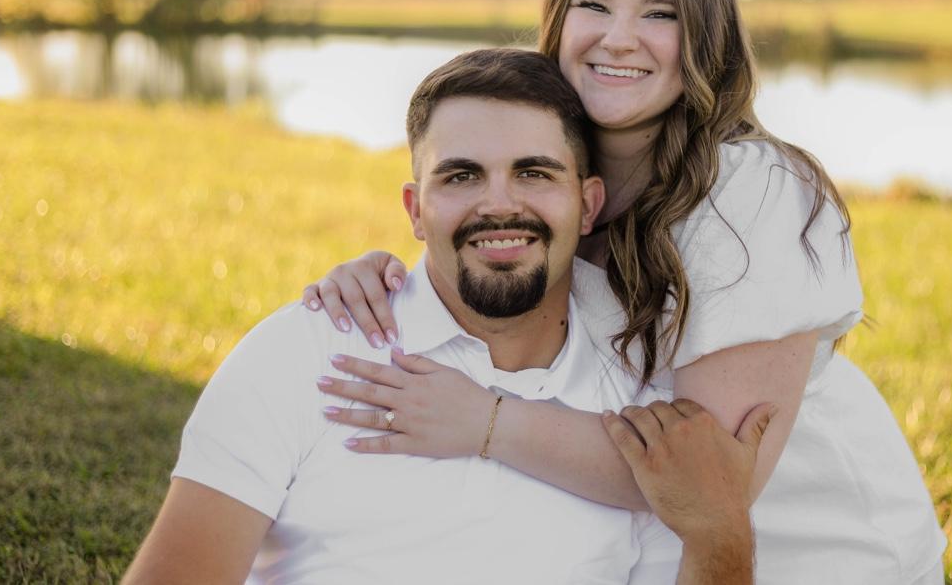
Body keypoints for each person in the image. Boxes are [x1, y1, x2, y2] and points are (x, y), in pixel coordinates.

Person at [303, 0, 947, 583]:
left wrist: (487, 422)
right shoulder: (548, 170)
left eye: (659, 14)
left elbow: (710, 482)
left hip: (815, 557)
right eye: (594, 6)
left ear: (705, 36)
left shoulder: (751, 189)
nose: (618, 39)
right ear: (558, 19)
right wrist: (383, 282)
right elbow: (474, 294)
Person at [123, 49, 773, 584]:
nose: (498, 205)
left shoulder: (639, 407)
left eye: (533, 173)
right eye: (461, 176)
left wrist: (721, 534)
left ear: (588, 204)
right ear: (415, 210)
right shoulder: (303, 353)